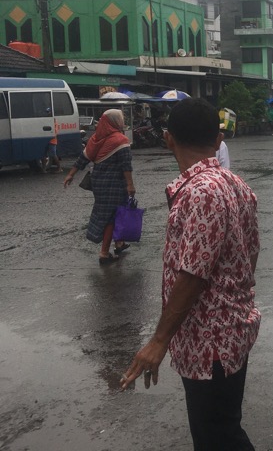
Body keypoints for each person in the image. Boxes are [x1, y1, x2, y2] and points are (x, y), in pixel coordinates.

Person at [120, 98, 260, 451]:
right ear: (217, 140)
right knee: (222, 430)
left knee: (217, 437)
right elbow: (250, 252)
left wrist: (158, 341)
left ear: (168, 139)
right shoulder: (234, 183)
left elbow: (193, 274)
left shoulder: (201, 192)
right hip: (229, 331)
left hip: (211, 340)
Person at [63, 109, 135, 265]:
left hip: (98, 183)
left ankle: (119, 243)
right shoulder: (120, 140)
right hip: (114, 183)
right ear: (115, 122)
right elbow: (126, 166)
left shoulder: (96, 139)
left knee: (113, 212)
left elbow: (83, 159)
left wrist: (71, 174)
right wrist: (130, 185)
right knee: (111, 216)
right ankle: (104, 253)